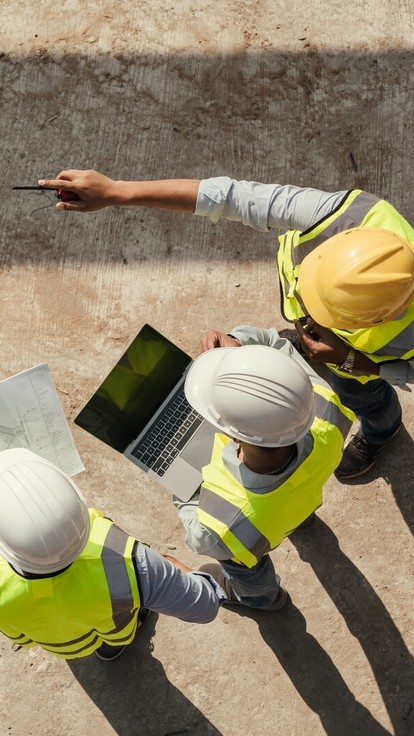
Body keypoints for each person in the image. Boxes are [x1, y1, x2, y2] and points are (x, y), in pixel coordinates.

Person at [38, 170, 414, 480]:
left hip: (361, 366)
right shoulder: (341, 215)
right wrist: (116, 190)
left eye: (324, 313)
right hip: (342, 345)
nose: (306, 311)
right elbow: (228, 197)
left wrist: (354, 363)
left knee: (360, 396)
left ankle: (382, 429)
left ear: (380, 317)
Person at [175, 325, 355, 610]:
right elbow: (278, 347)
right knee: (292, 507)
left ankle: (263, 599)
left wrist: (180, 487)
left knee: (243, 566)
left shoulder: (222, 526)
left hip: (254, 533)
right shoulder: (324, 408)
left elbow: (199, 539)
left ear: (231, 434)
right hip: (297, 501)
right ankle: (301, 522)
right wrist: (240, 348)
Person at [0, 448, 225, 662]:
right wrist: (167, 568)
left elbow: (23, 638)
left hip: (64, 645)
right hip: (115, 629)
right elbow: (205, 606)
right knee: (116, 631)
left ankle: (108, 650)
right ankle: (113, 646)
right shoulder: (130, 560)